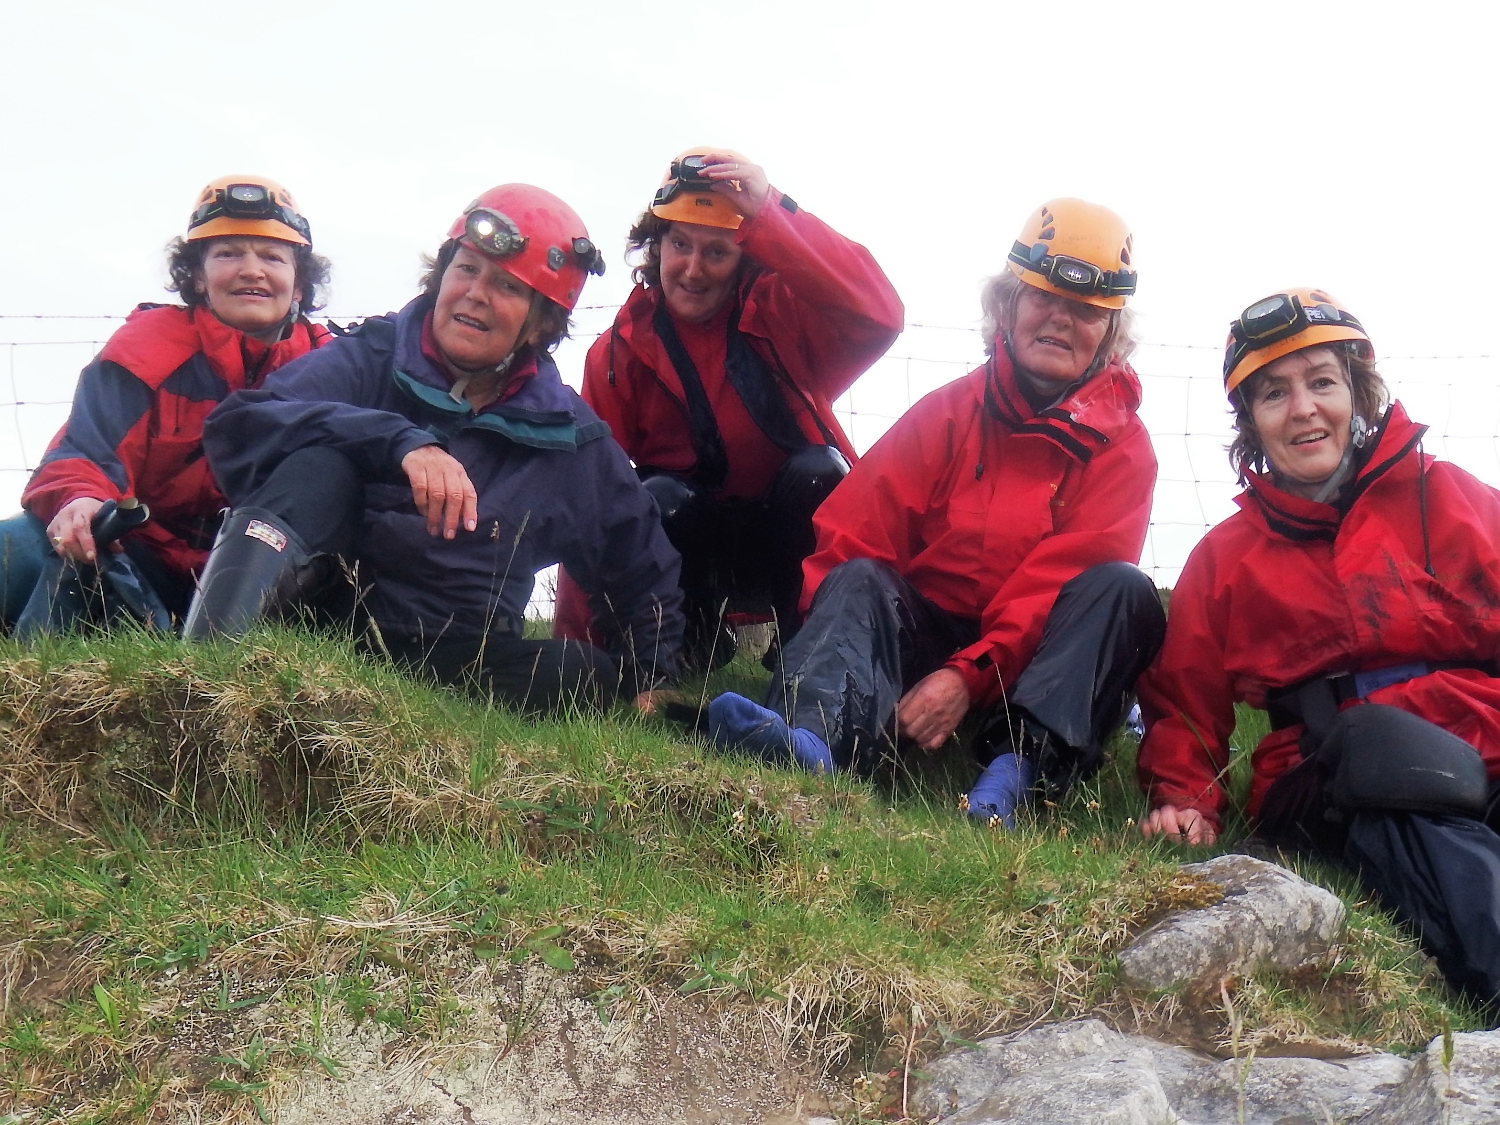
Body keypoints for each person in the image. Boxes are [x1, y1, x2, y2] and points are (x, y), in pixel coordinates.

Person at [708, 199, 1165, 824]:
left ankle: (1014, 777)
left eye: (1086, 309)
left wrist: (967, 679)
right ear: (1007, 305)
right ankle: (813, 737)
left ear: (1110, 332)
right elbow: (852, 535)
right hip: (925, 638)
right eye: (1042, 298)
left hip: (1037, 666)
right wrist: (835, 656)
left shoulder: (1125, 452)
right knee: (858, 574)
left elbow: (1052, 591)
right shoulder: (947, 412)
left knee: (1122, 590)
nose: (1060, 319)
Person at [1137, 288, 1500, 1006]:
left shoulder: (1455, 499)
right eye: (1274, 393)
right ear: (1252, 421)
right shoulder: (1226, 558)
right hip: (1336, 774)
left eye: (1322, 382)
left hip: (1482, 736)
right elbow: (1184, 700)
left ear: (1357, 393)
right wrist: (1184, 796)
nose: (1302, 407)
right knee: (1382, 758)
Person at [194, 184, 684, 713]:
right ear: (442, 273)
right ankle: (201, 681)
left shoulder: (569, 437)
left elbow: (638, 562)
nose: (476, 293)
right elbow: (240, 425)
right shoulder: (370, 358)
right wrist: (399, 442)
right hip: (323, 629)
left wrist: (650, 674)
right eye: (466, 269)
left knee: (581, 674)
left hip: (457, 662)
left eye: (508, 286)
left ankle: (404, 716)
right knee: (317, 461)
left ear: (540, 322)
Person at [552, 148, 903, 671]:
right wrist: (572, 649)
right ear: (657, 244)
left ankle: (810, 650)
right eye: (680, 244)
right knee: (659, 498)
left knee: (820, 472)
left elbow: (879, 314)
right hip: (688, 546)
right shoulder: (618, 354)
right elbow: (589, 495)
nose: (693, 270)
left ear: (745, 257)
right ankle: (682, 646)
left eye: (717, 252)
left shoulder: (783, 316)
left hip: (792, 539)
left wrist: (773, 211)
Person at [0, 175, 331, 633]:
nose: (251, 270)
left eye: (273, 256)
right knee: (13, 548)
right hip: (134, 554)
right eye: (228, 253)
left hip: (261, 583)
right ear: (198, 275)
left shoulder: (330, 365)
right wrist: (80, 499)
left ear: (298, 285)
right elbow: (84, 451)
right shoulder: (147, 346)